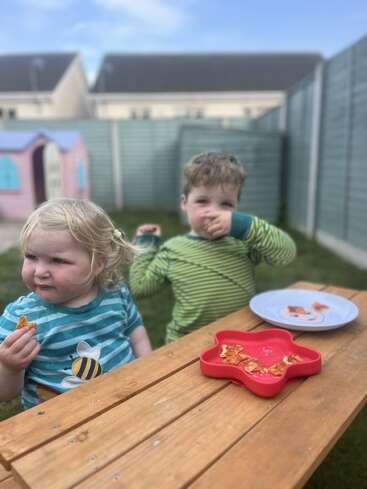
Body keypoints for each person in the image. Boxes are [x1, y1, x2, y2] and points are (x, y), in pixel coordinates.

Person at [0, 198, 151, 409]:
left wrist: (149, 370)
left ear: (97, 264)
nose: (40, 271)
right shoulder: (20, 319)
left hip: (122, 403)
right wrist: (9, 366)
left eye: (58, 260)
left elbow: (136, 333)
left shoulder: (115, 294)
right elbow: (6, 394)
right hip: (59, 424)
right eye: (31, 256)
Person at [129, 152, 296, 343]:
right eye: (202, 201)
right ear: (185, 203)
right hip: (186, 341)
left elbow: (286, 254)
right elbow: (140, 288)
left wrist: (245, 226)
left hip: (240, 337)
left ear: (236, 209)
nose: (214, 212)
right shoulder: (172, 249)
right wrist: (146, 245)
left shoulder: (243, 243)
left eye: (226, 204)